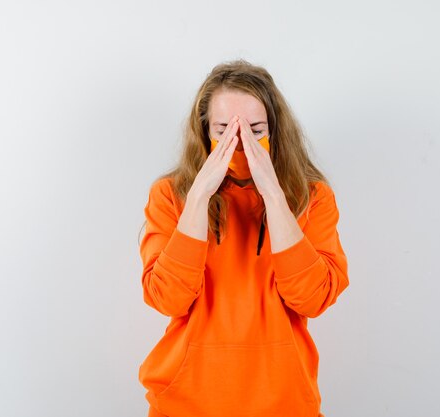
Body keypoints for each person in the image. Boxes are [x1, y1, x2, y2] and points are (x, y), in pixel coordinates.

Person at [137, 59, 349, 417]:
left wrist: (275, 197)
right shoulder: (170, 196)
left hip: (285, 403)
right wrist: (199, 197)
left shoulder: (312, 197)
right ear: (204, 131)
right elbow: (167, 298)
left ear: (276, 130)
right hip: (185, 403)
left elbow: (313, 299)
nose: (240, 143)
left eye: (255, 129)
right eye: (224, 130)